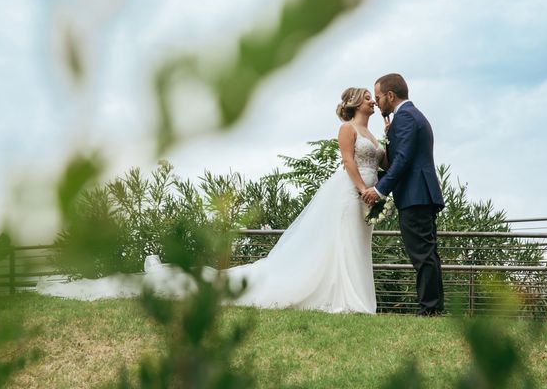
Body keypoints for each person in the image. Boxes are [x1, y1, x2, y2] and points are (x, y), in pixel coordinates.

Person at [38, 87, 386, 314]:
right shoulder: (348, 130)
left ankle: (355, 298)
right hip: (350, 192)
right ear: (355, 104)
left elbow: (382, 161)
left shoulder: (373, 131)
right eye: (368, 98)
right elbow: (348, 162)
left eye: (374, 97)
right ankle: (343, 299)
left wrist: (378, 178)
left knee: (357, 243)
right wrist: (362, 191)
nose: (372, 100)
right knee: (340, 244)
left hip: (368, 196)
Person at [362, 73, 445, 316]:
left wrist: (379, 189)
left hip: (415, 194)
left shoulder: (406, 117)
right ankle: (434, 308)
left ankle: (429, 309)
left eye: (378, 97)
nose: (377, 103)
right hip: (421, 193)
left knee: (422, 255)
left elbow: (403, 159)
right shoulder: (407, 117)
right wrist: (391, 134)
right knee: (427, 254)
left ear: (390, 95)